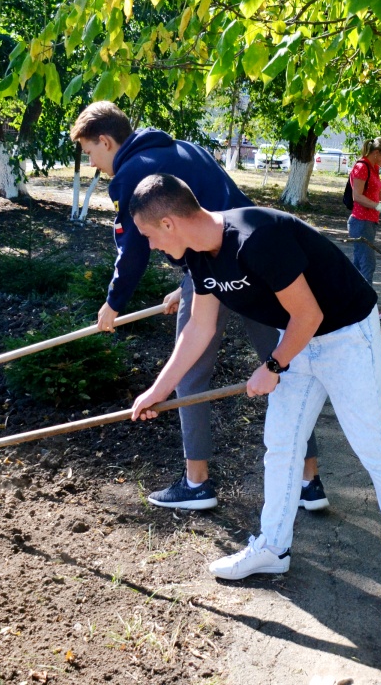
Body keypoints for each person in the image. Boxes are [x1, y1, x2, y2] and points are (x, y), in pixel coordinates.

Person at [127, 174, 381, 613]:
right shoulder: (196, 257)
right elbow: (199, 328)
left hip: (344, 333)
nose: (149, 245)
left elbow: (311, 313)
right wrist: (157, 390)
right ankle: (273, 548)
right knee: (281, 445)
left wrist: (272, 366)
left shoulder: (255, 237)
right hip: (298, 338)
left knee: (373, 445)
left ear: (169, 223)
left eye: (148, 235)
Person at [69, 102, 325, 513]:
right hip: (250, 260)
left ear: (105, 140)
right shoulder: (186, 148)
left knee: (189, 372)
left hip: (214, 268)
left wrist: (113, 303)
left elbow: (135, 245)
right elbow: (222, 212)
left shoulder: (134, 171)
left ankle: (196, 483)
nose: (95, 164)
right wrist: (189, 282)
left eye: (90, 153)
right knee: (280, 364)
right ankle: (310, 481)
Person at [347, 137, 381, 317]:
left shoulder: (373, 167)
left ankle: (352, 306)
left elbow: (376, 192)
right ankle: (368, 311)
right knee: (367, 264)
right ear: (376, 153)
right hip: (360, 222)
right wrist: (378, 206)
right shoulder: (361, 167)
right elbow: (358, 196)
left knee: (358, 266)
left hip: (369, 222)